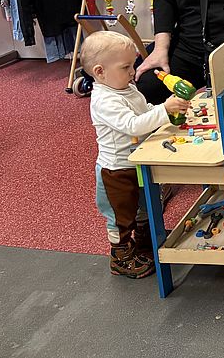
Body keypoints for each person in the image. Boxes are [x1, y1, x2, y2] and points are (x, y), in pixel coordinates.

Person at [83, 30, 192, 278]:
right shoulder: (103, 100)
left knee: (146, 205)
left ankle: (145, 242)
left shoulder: (126, 89)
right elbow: (133, 124)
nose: (133, 72)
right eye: (126, 67)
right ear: (100, 72)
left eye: (133, 65)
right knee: (121, 215)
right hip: (117, 170)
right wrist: (165, 109)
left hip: (138, 161)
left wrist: (167, 113)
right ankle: (121, 256)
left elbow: (144, 111)